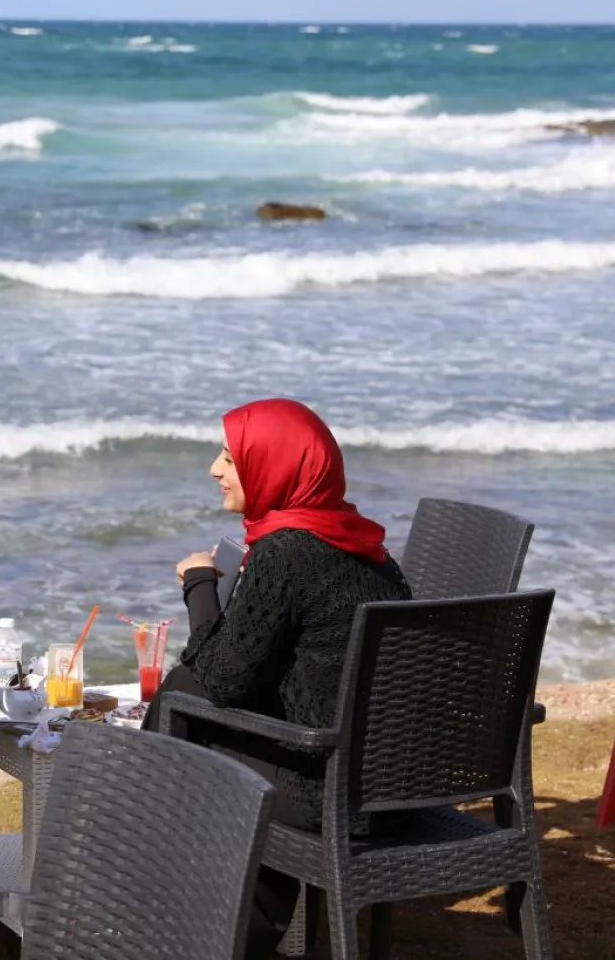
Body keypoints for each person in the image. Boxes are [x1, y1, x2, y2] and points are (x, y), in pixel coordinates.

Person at [145, 398, 411, 958]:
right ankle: (231, 927)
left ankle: (161, 907)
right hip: (397, 787)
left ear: (274, 465)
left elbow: (218, 678)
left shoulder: (285, 552)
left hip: (331, 792)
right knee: (194, 710)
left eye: (230, 457)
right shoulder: (372, 550)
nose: (215, 470)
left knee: (181, 699)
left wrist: (198, 584)